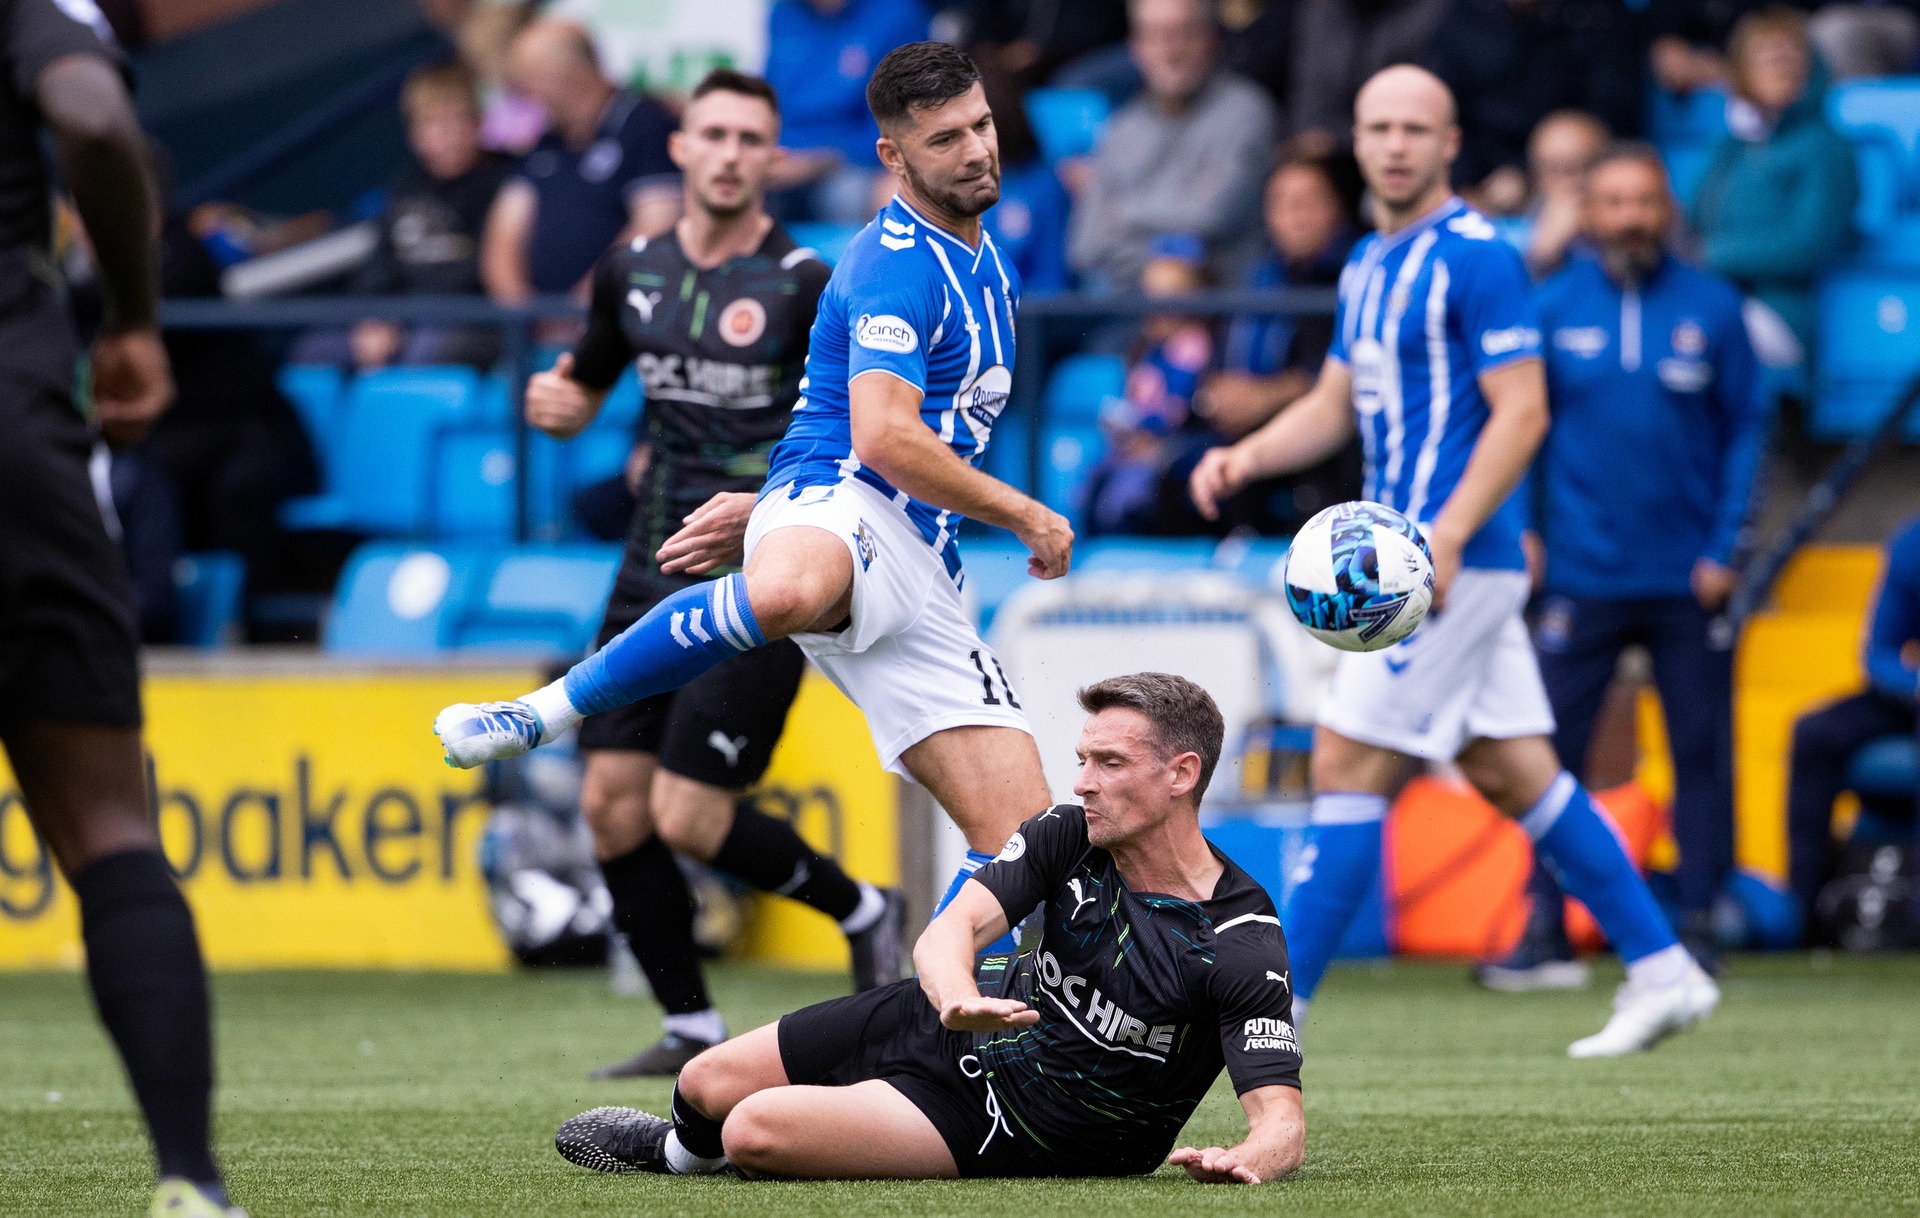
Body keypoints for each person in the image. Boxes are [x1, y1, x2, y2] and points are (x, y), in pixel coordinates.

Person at [436, 44, 1074, 962]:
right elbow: (884, 438)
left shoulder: (985, 259)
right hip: (846, 505)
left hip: (917, 564)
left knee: (1025, 848)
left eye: (980, 126)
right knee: (778, 597)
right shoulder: (893, 264)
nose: (976, 150)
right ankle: (542, 713)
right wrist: (1025, 513)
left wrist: (765, 501)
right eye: (945, 140)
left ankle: (946, 1041)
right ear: (893, 158)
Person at [1189, 65, 1720, 1057]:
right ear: (1356, 140)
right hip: (1421, 556)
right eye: (1378, 127)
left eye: (1414, 129)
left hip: (1442, 564)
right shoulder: (1367, 264)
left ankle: (1274, 1015)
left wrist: (1452, 530)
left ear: (1449, 143)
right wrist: (1246, 454)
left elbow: (1524, 410)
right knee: (1517, 771)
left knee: (1346, 760)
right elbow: (1335, 401)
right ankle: (1665, 968)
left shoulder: (1479, 257)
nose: (1394, 144)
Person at [513, 69, 905, 1078]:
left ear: (771, 160)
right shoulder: (629, 269)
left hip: (765, 574)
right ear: (680, 149)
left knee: (687, 813)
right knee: (611, 804)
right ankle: (689, 1026)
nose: (730, 153)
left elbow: (866, 431)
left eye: (750, 139)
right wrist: (561, 403)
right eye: (713, 134)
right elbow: (587, 380)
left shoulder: (809, 281)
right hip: (649, 567)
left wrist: (770, 517)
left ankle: (863, 909)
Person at [550, 673, 1306, 1185]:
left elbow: (1281, 1120)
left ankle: (711, 1152)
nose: (1081, 782)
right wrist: (950, 997)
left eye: (1108, 763)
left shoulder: (1239, 938)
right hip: (954, 1015)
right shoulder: (1064, 834)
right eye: (1081, 760)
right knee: (703, 1080)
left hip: (1025, 1123)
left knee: (752, 1128)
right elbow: (954, 930)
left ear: (1181, 775)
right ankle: (681, 1156)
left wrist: (1251, 1159)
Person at [0, 4, 235, 1215]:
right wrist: (134, 321)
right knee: (105, 833)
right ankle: (189, 1183)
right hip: (20, 452)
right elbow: (95, 119)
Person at [1480, 144, 1767, 990]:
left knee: (1701, 750)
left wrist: (1727, 549)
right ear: (1589, 211)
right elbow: (1517, 428)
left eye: (1644, 201)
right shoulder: (1550, 304)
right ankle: (1545, 928)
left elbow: (1749, 431)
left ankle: (1699, 925)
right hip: (1578, 573)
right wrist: (1522, 531)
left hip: (1688, 577)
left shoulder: (1716, 309)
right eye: (1613, 202)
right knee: (1546, 756)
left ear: (1666, 209)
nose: (1631, 217)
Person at [298, 62, 513, 371]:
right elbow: (379, 267)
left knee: (423, 351)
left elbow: (484, 275)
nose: (450, 134)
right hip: (407, 320)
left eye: (460, 120)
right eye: (436, 123)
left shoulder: (506, 183)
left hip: (476, 321)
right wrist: (373, 319)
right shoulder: (405, 187)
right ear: (415, 135)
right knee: (313, 350)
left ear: (480, 123)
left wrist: (402, 321)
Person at [1196, 156, 1362, 534]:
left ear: (1336, 206)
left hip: (1330, 463)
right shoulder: (1261, 276)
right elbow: (1219, 361)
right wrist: (1217, 395)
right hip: (1251, 444)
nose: (1294, 216)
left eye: (1308, 202)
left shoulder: (1355, 273)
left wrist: (1265, 397)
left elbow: (1337, 387)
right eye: (1282, 204)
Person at [1067, 0, 1278, 291]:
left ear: (1211, 38)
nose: (1171, 51)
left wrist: (1121, 217)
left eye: (1184, 33)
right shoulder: (1121, 127)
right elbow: (1085, 246)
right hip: (1124, 306)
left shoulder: (1247, 111)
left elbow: (1212, 216)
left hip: (1219, 308)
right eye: (1155, 36)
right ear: (1135, 47)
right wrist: (1157, 261)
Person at [1689, 6, 1857, 359]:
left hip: (1777, 309)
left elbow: (1806, 245)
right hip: (1716, 295)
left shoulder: (1824, 146)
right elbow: (1694, 217)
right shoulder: (1731, 145)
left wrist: (1710, 254)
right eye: (1767, 55)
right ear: (1741, 70)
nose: (1781, 65)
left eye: (1791, 53)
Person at [480, 18, 680, 303]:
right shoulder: (544, 140)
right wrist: (521, 311)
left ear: (573, 74)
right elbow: (503, 235)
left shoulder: (645, 125)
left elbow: (656, 228)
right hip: (535, 331)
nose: (526, 97)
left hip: (620, 324)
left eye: (530, 82)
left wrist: (582, 307)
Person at [1785, 515, 1920, 929]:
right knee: (1812, 733)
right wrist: (1912, 683)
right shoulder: (1912, 544)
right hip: (1910, 694)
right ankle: (1805, 912)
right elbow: (1878, 653)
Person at [1422, 0, 1643, 200]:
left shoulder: (1595, 15)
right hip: (1484, 177)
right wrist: (1470, 184)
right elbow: (1448, 114)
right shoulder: (1462, 21)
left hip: (1573, 166)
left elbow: (1611, 106)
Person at [762, 0, 928, 225]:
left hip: (854, 162)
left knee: (851, 199)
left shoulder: (899, 14)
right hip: (783, 156)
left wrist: (821, 160)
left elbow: (901, 119)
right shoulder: (784, 12)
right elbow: (769, 100)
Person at [1286, 0, 1448, 157]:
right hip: (1331, 151)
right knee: (1297, 182)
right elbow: (1309, 92)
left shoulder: (1436, 12)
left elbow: (1417, 113)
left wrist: (1337, 141)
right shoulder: (1324, 9)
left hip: (1397, 146)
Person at [1518, 110, 1609, 279]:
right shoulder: (1513, 234)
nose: (1567, 184)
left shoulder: (1630, 221)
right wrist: (1543, 255)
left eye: (1575, 169)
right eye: (1553, 170)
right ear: (1536, 178)